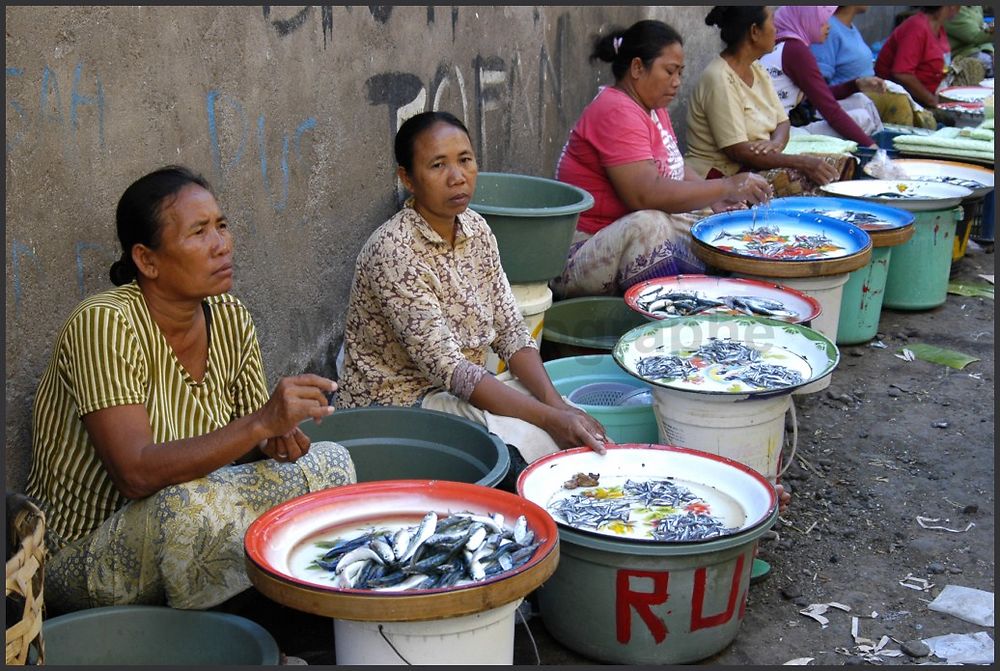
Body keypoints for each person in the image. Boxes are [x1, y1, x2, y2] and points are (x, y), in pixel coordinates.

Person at [26, 166, 356, 613]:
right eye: (199, 232)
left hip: (190, 510)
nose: (222, 245)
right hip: (83, 556)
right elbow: (135, 474)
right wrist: (259, 421)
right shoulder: (105, 322)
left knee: (329, 464)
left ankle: (305, 615)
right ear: (147, 260)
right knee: (187, 512)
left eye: (222, 226)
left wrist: (273, 440)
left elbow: (241, 448)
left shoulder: (229, 314)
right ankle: (234, 633)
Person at [337, 111, 609, 479]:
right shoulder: (394, 251)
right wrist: (550, 419)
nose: (457, 177)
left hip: (461, 388)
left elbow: (511, 330)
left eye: (465, 160)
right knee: (540, 446)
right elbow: (452, 371)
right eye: (437, 165)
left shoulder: (476, 230)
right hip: (398, 403)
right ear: (407, 179)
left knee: (580, 427)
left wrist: (558, 405)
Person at [551, 19, 772, 299]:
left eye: (680, 72)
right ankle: (673, 310)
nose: (677, 82)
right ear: (637, 68)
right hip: (579, 252)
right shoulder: (616, 110)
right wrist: (727, 186)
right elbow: (644, 195)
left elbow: (676, 170)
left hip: (616, 240)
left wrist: (715, 199)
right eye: (669, 71)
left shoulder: (653, 108)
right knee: (651, 225)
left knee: (719, 222)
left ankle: (727, 289)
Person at [686, 7, 845, 197]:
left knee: (836, 166)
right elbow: (737, 150)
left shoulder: (756, 68)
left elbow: (782, 121)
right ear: (754, 31)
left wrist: (775, 144)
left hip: (753, 166)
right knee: (810, 184)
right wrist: (801, 162)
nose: (776, 28)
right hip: (718, 177)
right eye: (771, 21)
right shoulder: (719, 78)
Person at [760, 5, 885, 147]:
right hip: (773, 136)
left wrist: (856, 85)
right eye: (822, 21)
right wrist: (871, 146)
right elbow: (829, 109)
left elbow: (819, 94)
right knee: (862, 119)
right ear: (807, 20)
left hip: (775, 130)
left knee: (860, 100)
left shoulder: (788, 45)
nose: (829, 26)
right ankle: (877, 159)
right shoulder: (795, 50)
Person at [812, 6, 938, 128]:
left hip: (863, 96)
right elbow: (818, 87)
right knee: (896, 101)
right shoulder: (828, 29)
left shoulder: (850, 28)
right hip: (845, 101)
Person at [875, 6, 962, 111]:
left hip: (931, 93)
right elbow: (902, 74)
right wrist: (932, 100)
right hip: (904, 100)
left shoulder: (938, 27)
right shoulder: (916, 27)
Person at [945, 5, 994, 82]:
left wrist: (990, 52)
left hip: (978, 49)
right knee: (986, 61)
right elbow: (974, 37)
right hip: (960, 54)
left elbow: (983, 29)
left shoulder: (976, 7)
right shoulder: (953, 9)